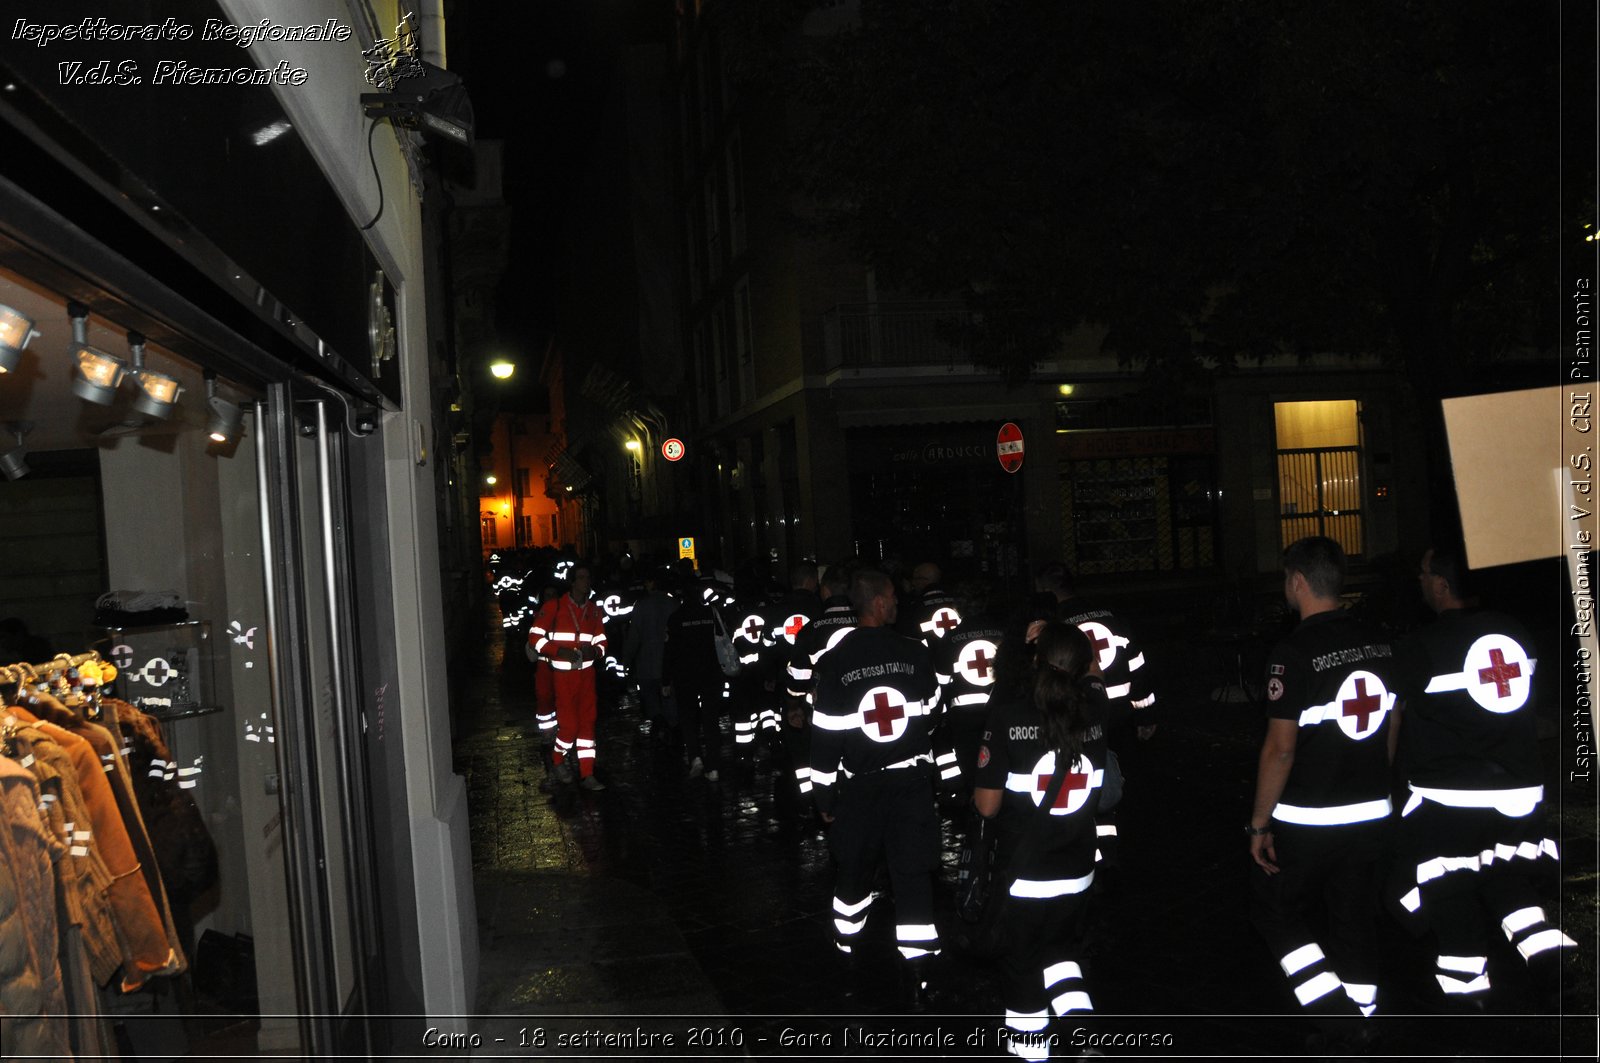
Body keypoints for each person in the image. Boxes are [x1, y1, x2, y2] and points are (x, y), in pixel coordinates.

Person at [1391, 545, 1573, 1007]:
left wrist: (1387, 776)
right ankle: (1544, 947)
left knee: (1449, 887)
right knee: (1506, 872)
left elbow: (1395, 720)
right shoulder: (1517, 634)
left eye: (1424, 573)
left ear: (1442, 584)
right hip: (1518, 793)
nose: (1420, 581)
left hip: (1450, 801)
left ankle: (1467, 991)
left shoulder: (1422, 646)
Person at [1248, 536, 1397, 1017]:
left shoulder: (1291, 653)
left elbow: (1281, 749)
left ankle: (1333, 1013)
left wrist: (1258, 824)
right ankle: (1364, 1015)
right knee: (1354, 918)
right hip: (1372, 810)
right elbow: (1394, 723)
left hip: (1310, 818)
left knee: (1275, 912)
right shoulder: (1379, 644)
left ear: (1297, 582)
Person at [973, 622, 1110, 1060]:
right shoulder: (1095, 711)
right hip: (1077, 872)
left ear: (1036, 660)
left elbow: (988, 806)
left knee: (1023, 970)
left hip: (1025, 876)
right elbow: (1094, 679)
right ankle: (1086, 1040)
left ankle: (1032, 1055)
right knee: (1064, 957)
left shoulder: (1009, 714)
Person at [810, 568, 943, 1008]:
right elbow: (933, 711)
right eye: (893, 597)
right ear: (878, 604)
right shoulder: (915, 652)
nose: (899, 604)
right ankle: (921, 971)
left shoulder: (834, 661)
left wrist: (824, 796)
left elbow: (826, 737)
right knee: (912, 874)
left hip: (860, 789)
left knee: (854, 868)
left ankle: (846, 950)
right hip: (910, 783)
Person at [529, 562, 607, 792]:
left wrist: (596, 650)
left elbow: (602, 640)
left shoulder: (594, 609)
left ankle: (587, 774)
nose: (586, 582)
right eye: (582, 578)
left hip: (587, 675)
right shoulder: (555, 607)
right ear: (572, 582)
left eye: (588, 577)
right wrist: (559, 651)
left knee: (587, 725)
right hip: (563, 676)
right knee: (570, 726)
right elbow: (535, 638)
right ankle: (557, 759)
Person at [664, 576, 728, 782]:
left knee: (689, 719)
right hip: (711, 674)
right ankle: (714, 767)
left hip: (685, 676)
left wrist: (666, 681)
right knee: (711, 720)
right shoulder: (711, 614)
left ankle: (695, 758)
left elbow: (669, 651)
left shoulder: (675, 618)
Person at [622, 567, 681, 744]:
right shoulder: (674, 604)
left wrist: (627, 659)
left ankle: (659, 726)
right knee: (670, 700)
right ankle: (674, 733)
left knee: (651, 699)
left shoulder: (641, 605)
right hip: (669, 664)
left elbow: (634, 636)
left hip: (647, 663)